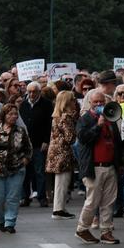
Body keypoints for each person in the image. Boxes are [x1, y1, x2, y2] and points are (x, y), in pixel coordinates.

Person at [74, 89, 124, 244]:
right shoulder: (85, 119)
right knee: (93, 200)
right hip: (93, 167)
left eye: (101, 102)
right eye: (96, 102)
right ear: (90, 103)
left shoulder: (111, 119)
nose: (99, 104)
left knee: (109, 201)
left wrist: (120, 164)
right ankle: (82, 229)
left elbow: (117, 143)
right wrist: (97, 126)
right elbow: (83, 139)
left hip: (110, 166)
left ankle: (106, 230)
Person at [0, 104, 33, 233]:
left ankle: (10, 222)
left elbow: (28, 148)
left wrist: (25, 160)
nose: (14, 116)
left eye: (16, 114)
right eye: (10, 114)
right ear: (4, 115)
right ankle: (0, 220)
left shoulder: (21, 131)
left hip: (16, 168)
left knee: (13, 197)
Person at [46, 90, 78, 219]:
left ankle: (59, 208)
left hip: (56, 152)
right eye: (72, 100)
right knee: (62, 182)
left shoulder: (57, 117)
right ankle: (59, 209)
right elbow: (70, 137)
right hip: (62, 153)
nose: (75, 102)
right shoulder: (66, 117)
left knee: (60, 181)